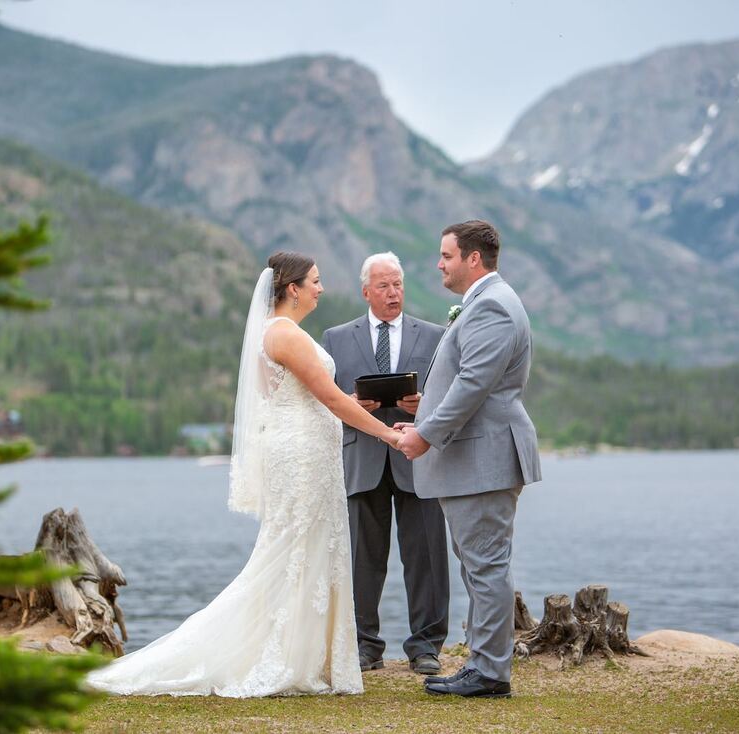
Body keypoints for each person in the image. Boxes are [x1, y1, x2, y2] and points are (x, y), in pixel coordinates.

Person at [86, 252, 403, 697]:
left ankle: (307, 654)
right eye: (315, 280)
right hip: (301, 453)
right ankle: (281, 656)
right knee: (294, 550)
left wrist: (354, 403)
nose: (321, 287)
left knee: (309, 548)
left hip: (306, 444)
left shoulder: (275, 333)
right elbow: (329, 400)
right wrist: (388, 435)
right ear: (292, 288)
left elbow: (312, 396)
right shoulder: (284, 334)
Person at [396, 220, 542, 699]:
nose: (439, 264)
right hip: (476, 459)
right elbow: (466, 381)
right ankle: (482, 663)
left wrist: (427, 436)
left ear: (472, 259)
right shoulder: (485, 303)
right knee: (478, 564)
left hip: (484, 457)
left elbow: (475, 384)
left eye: (446, 255)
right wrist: (425, 414)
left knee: (486, 565)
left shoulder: (493, 307)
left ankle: (491, 672)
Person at [321, 252, 450, 676]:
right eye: (383, 286)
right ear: (365, 291)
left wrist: (423, 403)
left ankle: (426, 646)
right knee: (363, 558)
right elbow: (324, 400)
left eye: (398, 284)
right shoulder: (336, 338)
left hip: (418, 456)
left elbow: (451, 393)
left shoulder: (434, 335)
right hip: (362, 457)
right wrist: (354, 404)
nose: (393, 292)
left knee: (426, 555)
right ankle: (364, 645)